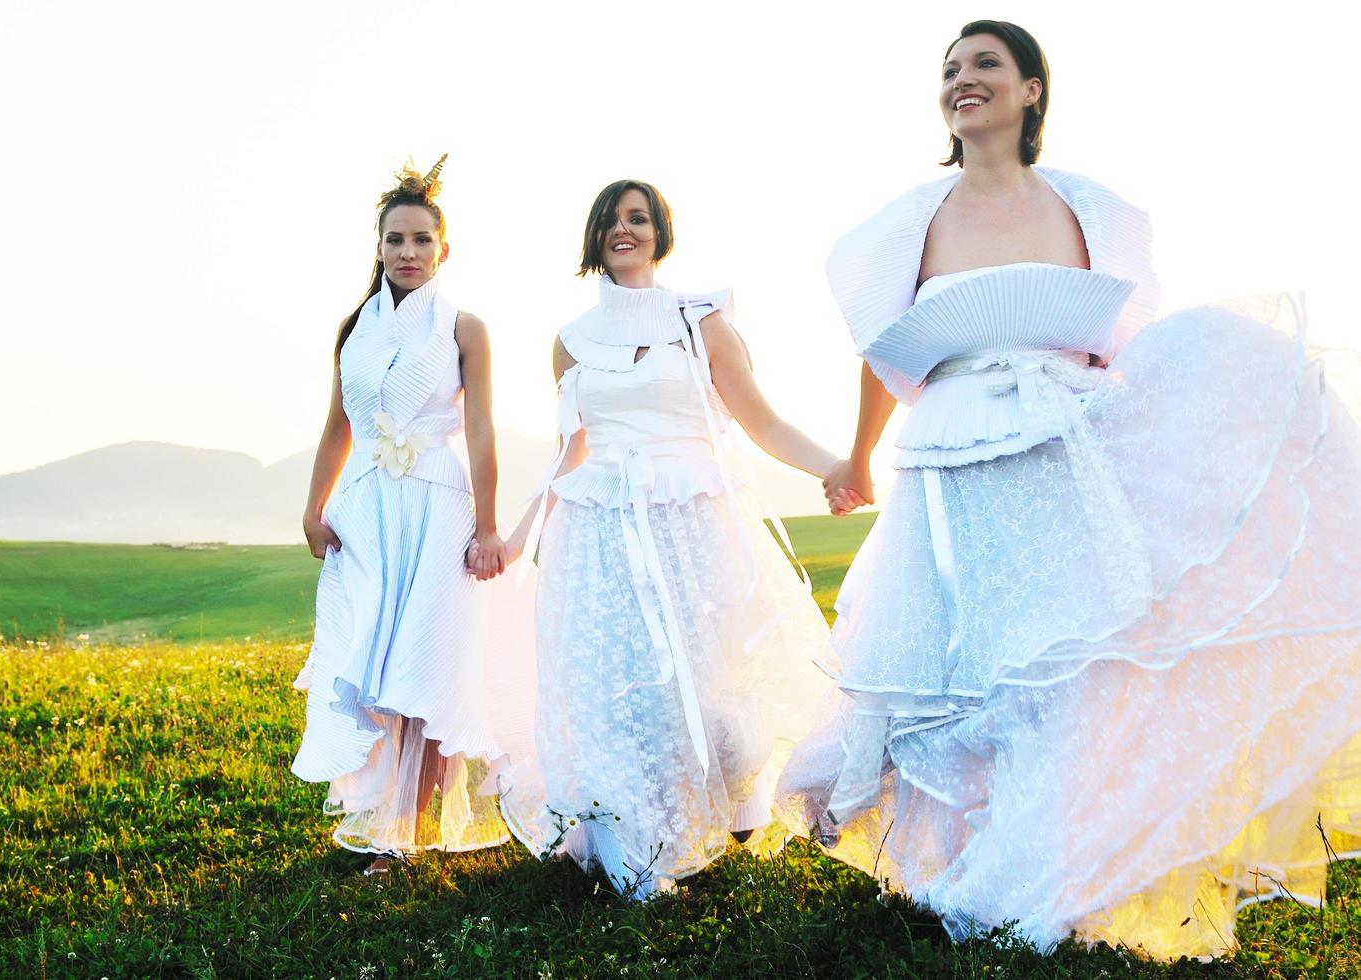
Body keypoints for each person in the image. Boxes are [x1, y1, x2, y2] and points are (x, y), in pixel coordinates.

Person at [777, 19, 1361, 958]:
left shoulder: (1093, 211)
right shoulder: (905, 224)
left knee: (1059, 669)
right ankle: (957, 865)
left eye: (984, 66)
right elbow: (885, 357)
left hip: (1058, 449)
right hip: (948, 456)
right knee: (961, 670)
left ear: (1031, 90)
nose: (962, 82)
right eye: (950, 71)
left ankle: (1041, 876)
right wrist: (853, 460)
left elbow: (1121, 344)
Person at [497, 179, 839, 899]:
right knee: (620, 690)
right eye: (612, 221)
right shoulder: (569, 343)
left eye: (639, 218)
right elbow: (570, 452)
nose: (625, 231)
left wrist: (834, 467)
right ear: (594, 236)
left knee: (715, 680)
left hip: (692, 524)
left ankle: (734, 801)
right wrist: (516, 538)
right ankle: (636, 838)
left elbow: (759, 421)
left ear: (660, 231)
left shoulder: (700, 319)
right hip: (601, 533)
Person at [290, 157, 534, 872]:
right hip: (365, 510)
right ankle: (384, 809)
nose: (407, 252)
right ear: (377, 247)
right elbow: (338, 423)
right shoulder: (353, 329)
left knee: (425, 667)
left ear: (443, 249)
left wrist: (487, 526)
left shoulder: (464, 328)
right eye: (395, 239)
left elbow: (483, 429)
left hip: (437, 508)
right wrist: (314, 506)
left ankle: (402, 832)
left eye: (421, 240)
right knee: (368, 659)